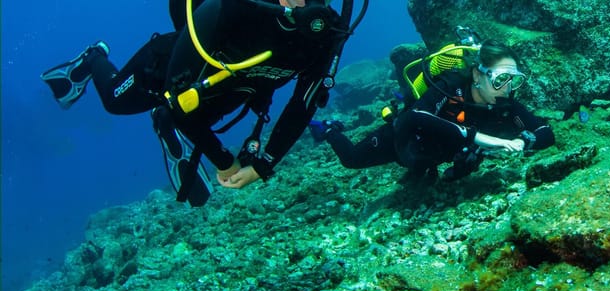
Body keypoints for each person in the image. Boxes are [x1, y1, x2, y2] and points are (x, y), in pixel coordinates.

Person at [40, 0, 368, 206]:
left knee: (188, 115)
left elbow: (303, 104)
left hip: (228, 96)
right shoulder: (230, 10)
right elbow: (181, 102)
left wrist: (263, 163)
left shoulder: (324, 33)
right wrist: (223, 159)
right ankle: (93, 58)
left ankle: (167, 123)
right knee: (116, 101)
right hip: (170, 71)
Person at [311, 39, 554, 182]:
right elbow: (414, 118)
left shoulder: (505, 104)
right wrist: (477, 137)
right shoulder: (450, 88)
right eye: (502, 79)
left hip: (438, 155)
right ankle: (330, 130)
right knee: (351, 159)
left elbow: (545, 131)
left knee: (428, 174)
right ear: (478, 75)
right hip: (402, 142)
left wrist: (524, 141)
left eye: (516, 80)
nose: (508, 87)